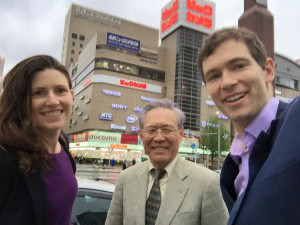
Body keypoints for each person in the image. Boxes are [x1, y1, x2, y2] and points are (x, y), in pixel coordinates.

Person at [198, 27, 300, 225]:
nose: (227, 82)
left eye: (238, 66)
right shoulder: (233, 164)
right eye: (214, 76)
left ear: (268, 70)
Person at [105, 98, 228, 225]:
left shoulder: (207, 182)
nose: (159, 138)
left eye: (167, 129)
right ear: (141, 135)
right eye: (151, 130)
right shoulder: (126, 179)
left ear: (180, 134)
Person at [0, 55, 77, 225]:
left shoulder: (63, 145)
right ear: (20, 101)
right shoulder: (6, 156)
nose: (52, 101)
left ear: (72, 95)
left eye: (60, 90)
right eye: (38, 93)